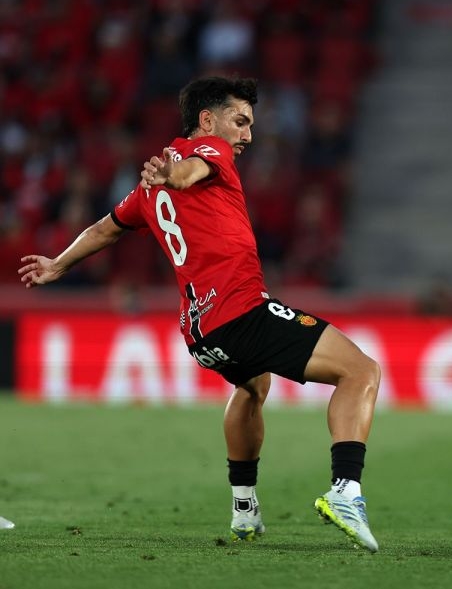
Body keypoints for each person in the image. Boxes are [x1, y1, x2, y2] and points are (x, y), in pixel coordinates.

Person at [18, 76, 380, 553]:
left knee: (254, 386)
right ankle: (346, 492)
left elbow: (105, 229)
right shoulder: (209, 151)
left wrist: (57, 264)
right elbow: (191, 173)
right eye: (240, 121)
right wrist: (176, 175)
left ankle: (244, 510)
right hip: (241, 310)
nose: (247, 135)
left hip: (200, 330)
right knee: (361, 371)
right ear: (208, 120)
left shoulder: (147, 190)